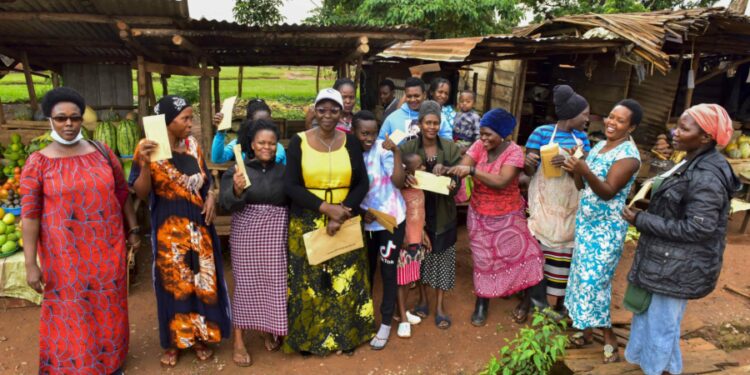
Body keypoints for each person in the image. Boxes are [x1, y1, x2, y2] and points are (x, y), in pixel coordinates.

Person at [21, 87, 140, 374]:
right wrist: (30, 264)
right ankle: (75, 365)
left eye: (75, 117)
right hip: (64, 255)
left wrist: (134, 228)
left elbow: (121, 192)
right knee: (71, 310)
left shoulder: (101, 151)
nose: (69, 124)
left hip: (106, 248)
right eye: (61, 118)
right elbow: (30, 215)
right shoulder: (38, 162)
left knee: (108, 304)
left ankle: (110, 362)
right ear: (50, 120)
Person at [622, 104, 738, 375]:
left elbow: (698, 228)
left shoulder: (707, 176)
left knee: (661, 324)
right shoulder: (691, 159)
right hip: (667, 260)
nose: (675, 132)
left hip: (679, 266)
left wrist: (641, 220)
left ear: (706, 137)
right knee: (655, 320)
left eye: (684, 128)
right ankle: (664, 368)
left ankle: (658, 369)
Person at [130, 95, 232, 367]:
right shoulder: (148, 147)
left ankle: (200, 338)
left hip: (199, 226)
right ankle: (174, 341)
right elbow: (141, 191)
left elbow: (205, 181)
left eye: (191, 117)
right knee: (173, 285)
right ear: (166, 122)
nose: (191, 123)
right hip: (168, 228)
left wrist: (210, 196)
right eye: (185, 118)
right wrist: (142, 161)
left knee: (200, 283)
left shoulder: (193, 145)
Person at [283, 88, 373, 356]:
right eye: (322, 109)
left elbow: (362, 182)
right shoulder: (298, 142)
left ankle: (346, 337)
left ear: (342, 112)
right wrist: (325, 208)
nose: (327, 115)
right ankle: (309, 340)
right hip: (308, 219)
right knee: (310, 283)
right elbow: (290, 185)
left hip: (345, 217)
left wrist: (342, 211)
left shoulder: (351, 142)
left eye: (334, 110)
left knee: (344, 281)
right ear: (314, 110)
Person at [561, 99, 643, 363]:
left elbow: (608, 192)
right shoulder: (598, 146)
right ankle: (585, 332)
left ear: (631, 127)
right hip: (586, 225)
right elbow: (581, 186)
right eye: (610, 116)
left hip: (606, 231)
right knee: (580, 280)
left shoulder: (629, 157)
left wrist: (585, 169)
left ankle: (609, 339)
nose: (611, 122)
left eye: (620, 120)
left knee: (594, 285)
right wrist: (577, 165)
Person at [447, 108, 544, 327]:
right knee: (484, 261)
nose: (482, 138)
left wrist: (472, 172)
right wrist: (452, 172)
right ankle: (482, 303)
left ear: (503, 134)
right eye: (481, 133)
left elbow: (501, 181)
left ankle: (527, 300)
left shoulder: (515, 152)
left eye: (488, 134)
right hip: (480, 214)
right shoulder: (479, 146)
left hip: (508, 215)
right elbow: (465, 163)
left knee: (528, 255)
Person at [219, 119, 288, 367]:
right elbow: (225, 203)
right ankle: (239, 339)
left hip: (276, 234)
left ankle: (268, 327)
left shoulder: (284, 172)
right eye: (261, 142)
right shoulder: (237, 170)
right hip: (246, 235)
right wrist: (237, 191)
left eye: (272, 143)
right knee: (247, 285)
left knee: (274, 282)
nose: (267, 147)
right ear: (252, 144)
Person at [522, 85, 591, 320]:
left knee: (563, 255)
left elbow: (583, 173)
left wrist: (573, 161)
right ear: (572, 114)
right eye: (585, 114)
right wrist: (529, 159)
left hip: (568, 202)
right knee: (535, 254)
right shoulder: (541, 133)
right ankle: (528, 302)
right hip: (543, 201)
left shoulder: (582, 139)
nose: (587, 119)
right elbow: (528, 169)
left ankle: (559, 304)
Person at [400, 100, 461, 329]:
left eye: (436, 123)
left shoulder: (450, 148)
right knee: (421, 259)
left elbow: (457, 178)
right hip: (417, 212)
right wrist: (405, 176)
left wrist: (448, 174)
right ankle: (424, 300)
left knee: (443, 257)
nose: (432, 127)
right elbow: (397, 174)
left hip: (444, 210)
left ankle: (439, 307)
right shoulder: (408, 148)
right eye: (428, 122)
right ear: (420, 123)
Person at [353, 110, 407, 350]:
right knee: (365, 271)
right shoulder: (350, 152)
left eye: (373, 133)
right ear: (354, 132)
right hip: (363, 221)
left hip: (390, 220)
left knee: (387, 270)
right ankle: (363, 320)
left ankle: (385, 322)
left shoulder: (383, 150)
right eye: (364, 133)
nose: (369, 137)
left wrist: (396, 151)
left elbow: (397, 182)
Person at [395, 153, 428, 338]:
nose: (423, 169)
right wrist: (403, 237)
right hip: (405, 242)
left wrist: (422, 233)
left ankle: (400, 311)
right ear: (406, 171)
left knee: (408, 278)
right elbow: (398, 216)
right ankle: (403, 319)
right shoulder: (401, 190)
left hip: (416, 239)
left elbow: (419, 214)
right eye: (420, 166)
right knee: (402, 280)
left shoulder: (418, 186)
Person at [211, 99, 286, 165]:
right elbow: (217, 159)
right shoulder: (238, 144)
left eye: (267, 122)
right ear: (249, 123)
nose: (263, 127)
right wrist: (220, 132)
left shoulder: (278, 149)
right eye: (258, 123)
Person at [379, 78, 452, 142]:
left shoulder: (437, 116)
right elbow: (380, 142)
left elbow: (448, 142)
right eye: (409, 96)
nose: (413, 100)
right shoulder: (392, 118)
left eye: (416, 96)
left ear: (424, 95)